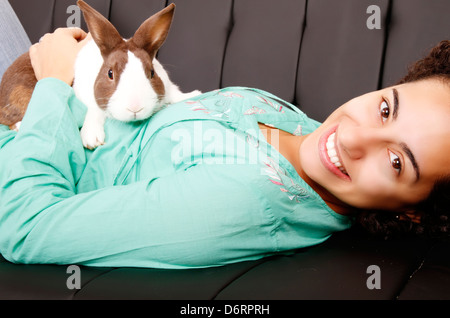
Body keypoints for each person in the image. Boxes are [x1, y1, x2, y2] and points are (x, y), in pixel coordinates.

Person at [0, 8, 449, 268]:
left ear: (412, 212)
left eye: (396, 162)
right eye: (386, 108)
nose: (352, 136)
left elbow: (24, 226)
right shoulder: (310, 134)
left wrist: (55, 78)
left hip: (17, 142)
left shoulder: (240, 202)